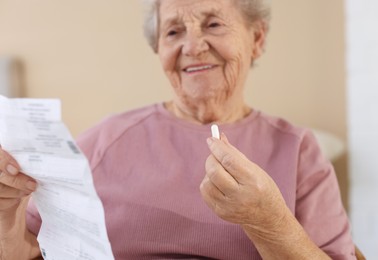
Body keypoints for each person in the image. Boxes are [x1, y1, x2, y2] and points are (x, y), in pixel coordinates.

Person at [0, 0, 357, 259]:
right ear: (159, 49)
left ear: (257, 39)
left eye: (214, 24)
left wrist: (268, 221)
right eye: (173, 31)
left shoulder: (298, 150)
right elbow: (27, 251)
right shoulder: (104, 140)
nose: (193, 46)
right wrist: (5, 211)